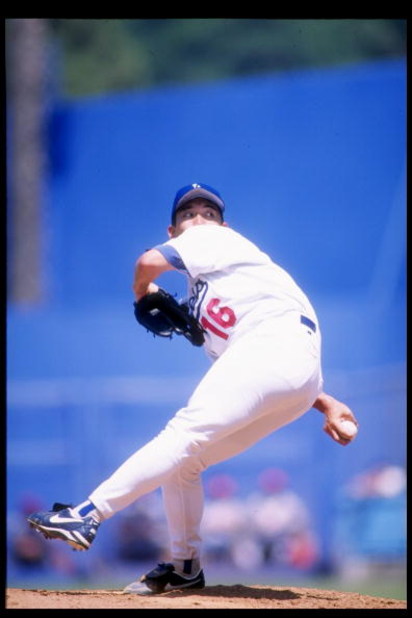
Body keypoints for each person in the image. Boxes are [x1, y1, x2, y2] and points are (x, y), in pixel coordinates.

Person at [27, 182, 359, 595]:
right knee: (184, 462)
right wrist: (324, 402)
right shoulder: (211, 291)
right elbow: (259, 373)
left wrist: (140, 293)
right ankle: (186, 567)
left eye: (209, 213)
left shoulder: (212, 241)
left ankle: (87, 513)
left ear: (222, 225)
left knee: (181, 435)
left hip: (275, 344)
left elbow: (147, 262)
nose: (200, 219)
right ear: (173, 229)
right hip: (294, 372)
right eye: (189, 213)